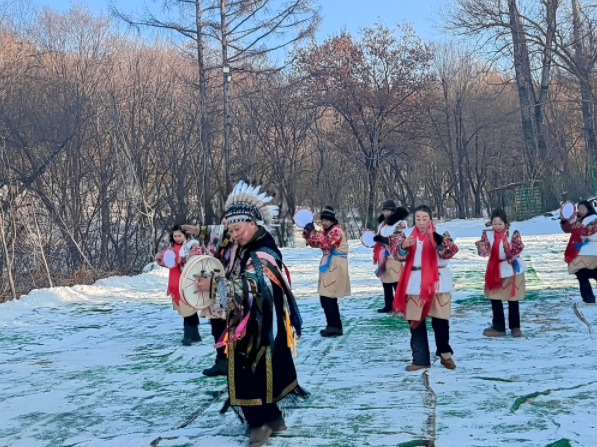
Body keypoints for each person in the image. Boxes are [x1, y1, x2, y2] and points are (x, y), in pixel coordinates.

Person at [194, 181, 308, 447]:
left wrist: (214, 286)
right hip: (253, 323)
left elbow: (253, 286)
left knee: (248, 374)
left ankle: (258, 425)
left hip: (259, 328)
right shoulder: (245, 244)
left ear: (253, 223)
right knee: (260, 372)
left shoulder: (262, 253)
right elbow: (222, 240)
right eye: (231, 229)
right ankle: (274, 419)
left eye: (237, 229)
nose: (233, 235)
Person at [388, 205, 459, 371]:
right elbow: (395, 254)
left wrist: (440, 243)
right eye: (418, 219)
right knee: (416, 321)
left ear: (430, 219)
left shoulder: (441, 233)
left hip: (438, 281)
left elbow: (451, 251)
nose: (421, 222)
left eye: (424, 219)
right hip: (415, 281)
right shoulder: (406, 234)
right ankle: (420, 359)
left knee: (440, 320)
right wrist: (403, 246)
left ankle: (445, 355)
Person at [475, 209, 526, 337]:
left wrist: (511, 249)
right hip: (495, 268)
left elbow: (519, 247)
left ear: (505, 223)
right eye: (494, 224)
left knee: (513, 298)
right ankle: (499, 326)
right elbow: (484, 251)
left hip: (511, 268)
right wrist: (482, 248)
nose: (497, 227)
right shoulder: (487, 234)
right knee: (494, 297)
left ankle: (515, 327)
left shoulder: (512, 233)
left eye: (500, 224)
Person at [303, 206, 351, 337]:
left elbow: (328, 243)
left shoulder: (337, 231)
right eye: (322, 220)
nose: (324, 223)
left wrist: (314, 233)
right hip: (329, 264)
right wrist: (309, 233)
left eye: (326, 220)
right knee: (327, 296)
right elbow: (315, 243)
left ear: (332, 220)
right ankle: (334, 325)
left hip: (335, 264)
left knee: (327, 296)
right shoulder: (327, 231)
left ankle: (334, 326)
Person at [155, 225, 201, 346]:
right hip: (176, 282)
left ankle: (188, 337)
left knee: (188, 309)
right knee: (188, 309)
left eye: (179, 236)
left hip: (189, 281)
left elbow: (198, 259)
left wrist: (185, 259)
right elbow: (169, 263)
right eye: (175, 236)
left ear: (185, 235)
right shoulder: (172, 248)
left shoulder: (192, 245)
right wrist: (160, 259)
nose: (177, 238)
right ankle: (195, 335)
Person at [372, 201, 409, 313]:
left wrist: (385, 240)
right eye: (384, 211)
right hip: (383, 256)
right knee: (386, 282)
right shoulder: (382, 225)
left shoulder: (400, 224)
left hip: (395, 256)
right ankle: (389, 305)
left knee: (396, 281)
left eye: (388, 211)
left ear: (393, 211)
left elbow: (399, 239)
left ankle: (402, 305)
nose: (385, 213)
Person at [561, 200, 597, 304]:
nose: (580, 211)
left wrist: (575, 223)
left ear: (588, 209)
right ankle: (588, 298)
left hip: (590, 251)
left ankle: (588, 298)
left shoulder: (594, 218)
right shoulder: (580, 220)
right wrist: (565, 220)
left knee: (586, 273)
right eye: (579, 209)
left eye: (583, 209)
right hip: (582, 251)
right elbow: (568, 229)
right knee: (582, 274)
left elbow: (587, 231)